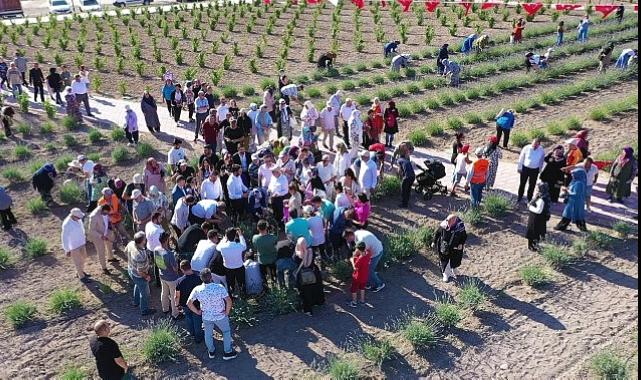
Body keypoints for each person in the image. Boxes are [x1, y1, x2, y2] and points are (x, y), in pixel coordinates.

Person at [187, 268, 237, 360]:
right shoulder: (219, 287)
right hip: (220, 315)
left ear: (201, 278)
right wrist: (227, 311)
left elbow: (189, 303)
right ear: (211, 277)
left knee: (208, 334)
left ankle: (211, 351)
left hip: (206, 316)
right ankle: (228, 352)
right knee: (226, 332)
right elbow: (228, 300)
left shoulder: (197, 289)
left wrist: (197, 312)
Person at [126, 232, 156, 315]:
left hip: (131, 270)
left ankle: (136, 302)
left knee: (137, 285)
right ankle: (144, 310)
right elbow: (140, 271)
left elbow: (125, 251)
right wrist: (146, 276)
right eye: (145, 238)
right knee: (145, 293)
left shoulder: (131, 244)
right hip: (139, 275)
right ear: (142, 241)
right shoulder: (140, 255)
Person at [293, 237, 324, 316]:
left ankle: (308, 309)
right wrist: (306, 253)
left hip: (301, 275)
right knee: (315, 288)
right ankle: (317, 302)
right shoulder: (309, 251)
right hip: (312, 273)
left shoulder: (296, 251)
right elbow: (307, 264)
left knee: (305, 292)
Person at [432, 214, 467, 282]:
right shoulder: (444, 225)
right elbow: (437, 233)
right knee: (444, 260)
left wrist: (461, 244)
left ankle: (454, 269)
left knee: (456, 259)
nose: (448, 223)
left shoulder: (460, 226)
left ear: (455, 221)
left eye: (451, 221)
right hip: (444, 246)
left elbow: (464, 236)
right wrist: (434, 241)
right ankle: (445, 274)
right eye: (448, 221)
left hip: (456, 247)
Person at [154, 232, 182, 319]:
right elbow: (175, 269)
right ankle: (175, 314)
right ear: (166, 240)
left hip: (162, 275)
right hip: (172, 278)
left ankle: (165, 308)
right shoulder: (170, 254)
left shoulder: (156, 249)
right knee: (174, 296)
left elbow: (158, 263)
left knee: (164, 293)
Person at [175, 260, 204, 343]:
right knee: (197, 320)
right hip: (197, 304)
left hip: (185, 305)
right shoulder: (199, 277)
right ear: (190, 266)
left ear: (182, 269)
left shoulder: (179, 281)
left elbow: (177, 296)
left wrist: (177, 305)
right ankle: (198, 337)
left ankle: (191, 333)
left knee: (188, 318)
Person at [61, 208, 91, 283]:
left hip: (81, 243)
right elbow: (64, 238)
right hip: (73, 246)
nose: (79, 219)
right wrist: (67, 249)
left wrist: (84, 237)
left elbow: (82, 229)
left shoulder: (78, 219)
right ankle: (82, 277)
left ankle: (80, 271)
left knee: (84, 257)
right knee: (77, 261)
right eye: (78, 217)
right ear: (73, 216)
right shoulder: (67, 224)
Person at [218, 227, 247, 297]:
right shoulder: (239, 246)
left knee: (230, 283)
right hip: (239, 267)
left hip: (228, 268)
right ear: (235, 236)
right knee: (241, 282)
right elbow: (244, 246)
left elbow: (217, 247)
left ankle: (231, 295)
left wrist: (225, 237)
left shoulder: (222, 247)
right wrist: (240, 235)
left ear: (226, 236)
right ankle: (243, 294)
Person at [87, 205, 116, 275]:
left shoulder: (105, 212)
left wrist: (111, 226)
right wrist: (101, 236)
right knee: (101, 251)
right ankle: (104, 268)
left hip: (106, 231)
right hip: (97, 236)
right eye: (105, 213)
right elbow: (91, 230)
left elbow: (108, 219)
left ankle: (110, 258)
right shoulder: (94, 216)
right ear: (101, 210)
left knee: (110, 245)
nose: (107, 214)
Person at [517, 138, 545, 202]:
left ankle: (529, 198)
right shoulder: (526, 148)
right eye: (533, 144)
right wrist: (519, 167)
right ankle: (519, 196)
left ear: (539, 145)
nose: (534, 146)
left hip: (534, 170)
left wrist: (540, 169)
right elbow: (521, 157)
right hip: (525, 168)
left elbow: (541, 161)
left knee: (532, 185)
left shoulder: (541, 150)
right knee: (522, 184)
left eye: (536, 145)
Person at [525, 182, 551, 251]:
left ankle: (532, 246)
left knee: (534, 232)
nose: (536, 189)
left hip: (536, 218)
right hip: (539, 218)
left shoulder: (542, 199)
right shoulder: (544, 195)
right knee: (537, 232)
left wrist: (530, 207)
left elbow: (538, 210)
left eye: (537, 188)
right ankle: (534, 244)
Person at [348, 241, 371, 308]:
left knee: (353, 289)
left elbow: (355, 267)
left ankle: (354, 302)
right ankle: (362, 300)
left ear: (358, 249)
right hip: (365, 275)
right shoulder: (368, 253)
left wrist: (352, 260)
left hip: (357, 277)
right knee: (362, 287)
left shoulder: (360, 259)